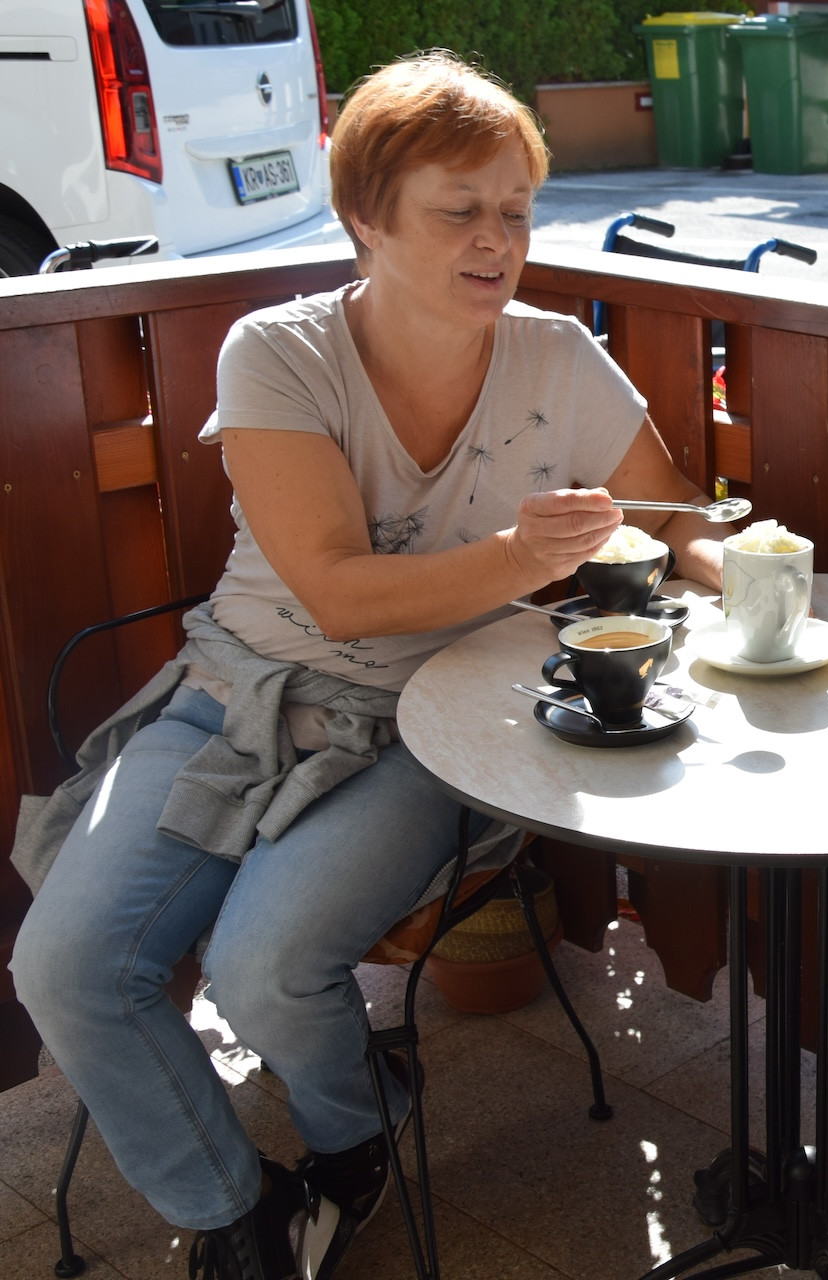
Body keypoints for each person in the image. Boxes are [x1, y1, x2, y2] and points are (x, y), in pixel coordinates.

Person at [9, 51, 725, 1280]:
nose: (497, 238)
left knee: (266, 964)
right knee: (63, 967)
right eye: (460, 209)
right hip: (241, 693)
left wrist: (745, 570)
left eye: (515, 209)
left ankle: (356, 1129)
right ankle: (242, 1212)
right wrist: (519, 555)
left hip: (445, 717)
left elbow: (679, 516)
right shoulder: (276, 353)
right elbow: (336, 592)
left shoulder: (560, 354)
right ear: (365, 219)